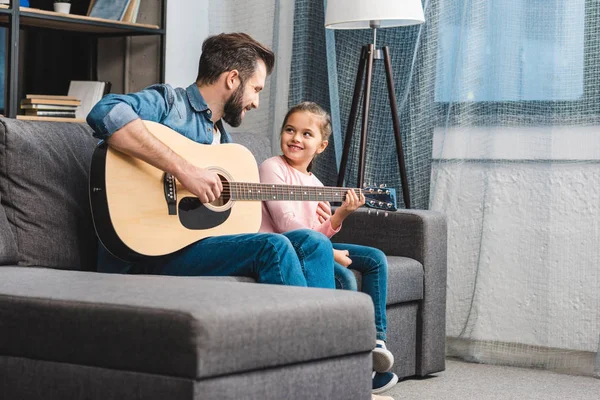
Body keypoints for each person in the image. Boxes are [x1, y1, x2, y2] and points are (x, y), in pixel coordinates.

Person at [86, 33, 334, 289]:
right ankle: (311, 328)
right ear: (233, 79)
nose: (256, 103)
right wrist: (184, 170)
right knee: (273, 246)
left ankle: (328, 326)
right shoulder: (171, 104)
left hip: (198, 245)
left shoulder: (227, 148)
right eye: (256, 89)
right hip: (147, 253)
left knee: (313, 243)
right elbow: (105, 111)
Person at [258, 102, 399, 395]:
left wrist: (340, 215)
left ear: (321, 146)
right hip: (281, 247)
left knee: (374, 258)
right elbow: (286, 224)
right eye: (290, 130)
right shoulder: (272, 168)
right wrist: (330, 253)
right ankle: (346, 362)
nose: (296, 138)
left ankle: (375, 342)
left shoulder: (317, 185)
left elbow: (315, 235)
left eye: (306, 134)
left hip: (308, 246)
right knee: (345, 277)